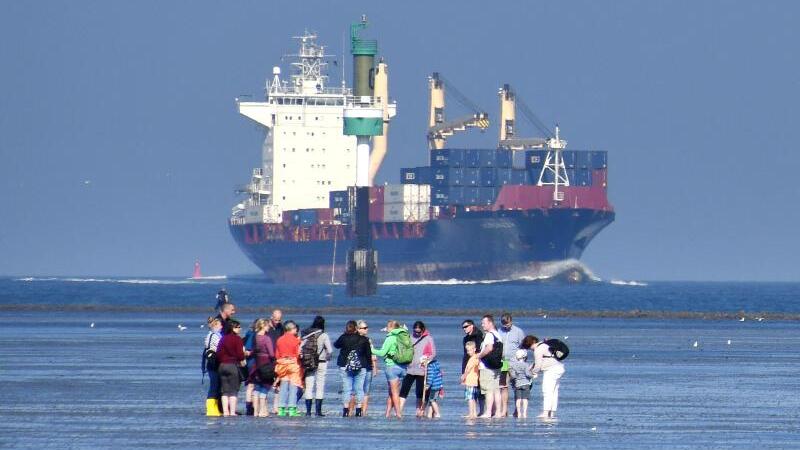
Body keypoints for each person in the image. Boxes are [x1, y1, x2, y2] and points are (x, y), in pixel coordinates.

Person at [334, 320, 371, 417]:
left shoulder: (343, 338)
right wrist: (369, 366)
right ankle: (358, 409)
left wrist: (343, 336)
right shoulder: (363, 339)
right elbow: (368, 354)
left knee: (347, 389)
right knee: (359, 389)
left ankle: (345, 410)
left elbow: (336, 345)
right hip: (361, 365)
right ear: (356, 328)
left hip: (344, 366)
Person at [371, 320, 408, 418]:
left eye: (388, 327)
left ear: (392, 328)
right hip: (403, 367)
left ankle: (398, 413)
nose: (386, 328)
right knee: (391, 391)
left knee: (394, 392)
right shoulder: (403, 337)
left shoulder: (390, 338)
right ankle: (387, 413)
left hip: (392, 367)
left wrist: (370, 349)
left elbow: (382, 353)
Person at [523, 335, 565, 419]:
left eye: (529, 347)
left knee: (547, 391)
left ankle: (545, 413)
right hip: (559, 367)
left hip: (551, 370)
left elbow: (538, 365)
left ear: (532, 343)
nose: (531, 349)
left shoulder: (538, 350)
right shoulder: (545, 344)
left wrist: (532, 373)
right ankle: (552, 413)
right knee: (554, 391)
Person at [399, 321, 436, 417]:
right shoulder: (410, 338)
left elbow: (433, 353)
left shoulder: (428, 338)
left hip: (422, 369)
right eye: (415, 331)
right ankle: (399, 410)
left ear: (423, 330)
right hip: (410, 368)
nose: (417, 333)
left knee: (420, 392)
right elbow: (404, 349)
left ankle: (419, 411)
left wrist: (427, 360)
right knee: (404, 389)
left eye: (419, 332)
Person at [301, 315, 333, 416]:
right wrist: (328, 357)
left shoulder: (306, 333)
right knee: (320, 385)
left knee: (309, 386)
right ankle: (318, 411)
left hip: (309, 362)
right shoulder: (324, 335)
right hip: (321, 362)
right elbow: (330, 350)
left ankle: (308, 411)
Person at [497, 313, 525, 417]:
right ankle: (504, 410)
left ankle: (517, 410)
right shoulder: (499, 331)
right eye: (504, 325)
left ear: (511, 321)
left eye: (508, 325)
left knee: (518, 386)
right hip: (503, 362)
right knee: (503, 386)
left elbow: (523, 348)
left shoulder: (518, 332)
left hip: (515, 363)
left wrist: (522, 362)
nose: (506, 327)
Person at [216, 319, 245, 416]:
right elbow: (240, 356)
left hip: (222, 366)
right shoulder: (237, 339)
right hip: (232, 365)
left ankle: (225, 412)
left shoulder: (223, 338)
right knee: (233, 391)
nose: (240, 329)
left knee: (224, 391)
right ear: (233, 328)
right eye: (238, 327)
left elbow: (218, 353)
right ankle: (232, 412)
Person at [274, 320, 303, 417]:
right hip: (293, 364)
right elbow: (297, 354)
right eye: (295, 328)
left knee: (283, 386)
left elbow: (277, 354)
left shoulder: (279, 339)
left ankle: (281, 409)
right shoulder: (295, 340)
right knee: (293, 387)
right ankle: (292, 408)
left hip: (282, 364)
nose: (296, 330)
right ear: (291, 329)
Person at [476, 314, 502, 418]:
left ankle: (488, 412)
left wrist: (479, 355)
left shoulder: (490, 335)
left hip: (487, 366)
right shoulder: (498, 335)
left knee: (488, 390)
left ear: (490, 323)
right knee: (496, 390)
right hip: (496, 365)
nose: (482, 325)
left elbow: (489, 348)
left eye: (484, 323)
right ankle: (498, 412)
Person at [248, 318, 275, 417]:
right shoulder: (266, 338)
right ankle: (262, 411)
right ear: (263, 326)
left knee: (257, 387)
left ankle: (256, 412)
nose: (269, 327)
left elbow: (253, 350)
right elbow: (271, 354)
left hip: (256, 363)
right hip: (266, 363)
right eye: (267, 325)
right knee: (265, 386)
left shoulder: (255, 337)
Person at [354, 320, 377, 416]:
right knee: (355, 391)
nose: (367, 329)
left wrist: (375, 367)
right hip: (357, 368)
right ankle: (351, 411)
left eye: (367, 327)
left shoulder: (368, 340)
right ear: (358, 329)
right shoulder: (353, 339)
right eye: (364, 328)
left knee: (366, 391)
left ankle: (363, 412)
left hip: (368, 367)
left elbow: (373, 354)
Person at [461, 319, 484, 415]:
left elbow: (480, 351)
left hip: (477, 365)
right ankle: (474, 412)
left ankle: (481, 411)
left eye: (466, 326)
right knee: (473, 393)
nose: (464, 329)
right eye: (463, 327)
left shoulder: (478, 335)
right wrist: (464, 370)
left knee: (479, 391)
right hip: (468, 364)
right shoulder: (465, 338)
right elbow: (465, 354)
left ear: (472, 326)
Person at [202, 317, 223, 416]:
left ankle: (215, 408)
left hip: (211, 362)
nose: (221, 327)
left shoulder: (210, 335)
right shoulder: (214, 335)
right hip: (213, 362)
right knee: (214, 385)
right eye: (220, 325)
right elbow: (218, 347)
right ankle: (211, 409)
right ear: (215, 326)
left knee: (216, 385)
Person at [508, 349, 533, 418]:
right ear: (524, 357)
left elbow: (513, 376)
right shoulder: (526, 365)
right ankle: (524, 414)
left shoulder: (514, 365)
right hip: (526, 383)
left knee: (518, 399)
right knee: (525, 399)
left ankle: (518, 413)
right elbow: (528, 374)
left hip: (517, 384)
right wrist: (532, 375)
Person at [242, 319, 259, 415]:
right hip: (253, 363)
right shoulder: (253, 334)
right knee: (252, 385)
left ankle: (251, 407)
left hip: (251, 362)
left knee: (251, 385)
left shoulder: (249, 333)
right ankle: (250, 407)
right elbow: (248, 350)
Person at [460, 340, 480, 419]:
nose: (468, 352)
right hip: (473, 381)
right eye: (467, 350)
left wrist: (463, 376)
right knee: (473, 398)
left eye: (469, 350)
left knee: (470, 398)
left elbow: (468, 369)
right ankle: (474, 413)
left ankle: (471, 413)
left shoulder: (474, 358)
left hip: (471, 381)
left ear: (474, 349)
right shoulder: (474, 357)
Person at [422, 354, 443, 418]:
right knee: (432, 400)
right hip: (438, 385)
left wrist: (427, 385)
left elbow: (430, 377)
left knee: (432, 400)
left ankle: (437, 413)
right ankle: (430, 414)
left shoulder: (430, 367)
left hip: (434, 386)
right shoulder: (436, 365)